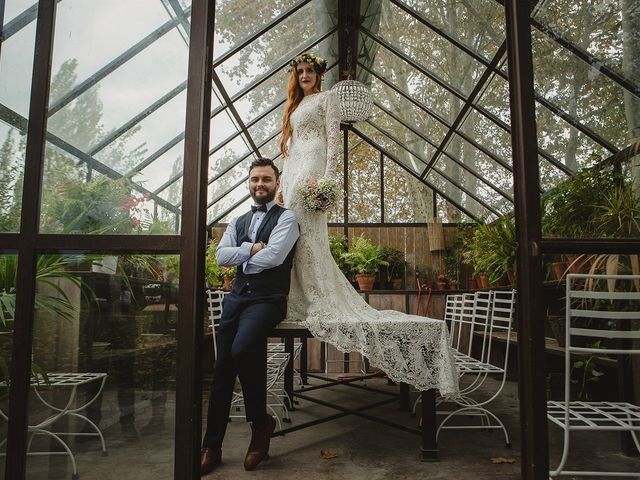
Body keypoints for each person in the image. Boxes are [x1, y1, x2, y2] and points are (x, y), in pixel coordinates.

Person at [278, 52, 458, 395]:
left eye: (309, 71)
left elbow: (333, 142)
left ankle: (318, 298)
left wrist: (328, 183)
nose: (304, 75)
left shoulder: (328, 98)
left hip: (314, 170)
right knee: (293, 235)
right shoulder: (294, 107)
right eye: (299, 71)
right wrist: (281, 187)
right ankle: (298, 295)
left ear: (319, 74)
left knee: (309, 235)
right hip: (294, 170)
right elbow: (291, 149)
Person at [201, 158, 299, 475]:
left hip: (268, 299)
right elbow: (220, 257)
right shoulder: (238, 220)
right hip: (236, 298)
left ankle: (260, 425)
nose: (260, 184)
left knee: (242, 349)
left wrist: (243, 254)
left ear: (276, 182)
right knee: (222, 371)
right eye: (255, 179)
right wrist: (251, 248)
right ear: (249, 182)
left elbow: (274, 257)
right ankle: (212, 446)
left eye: (266, 179)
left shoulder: (288, 219)